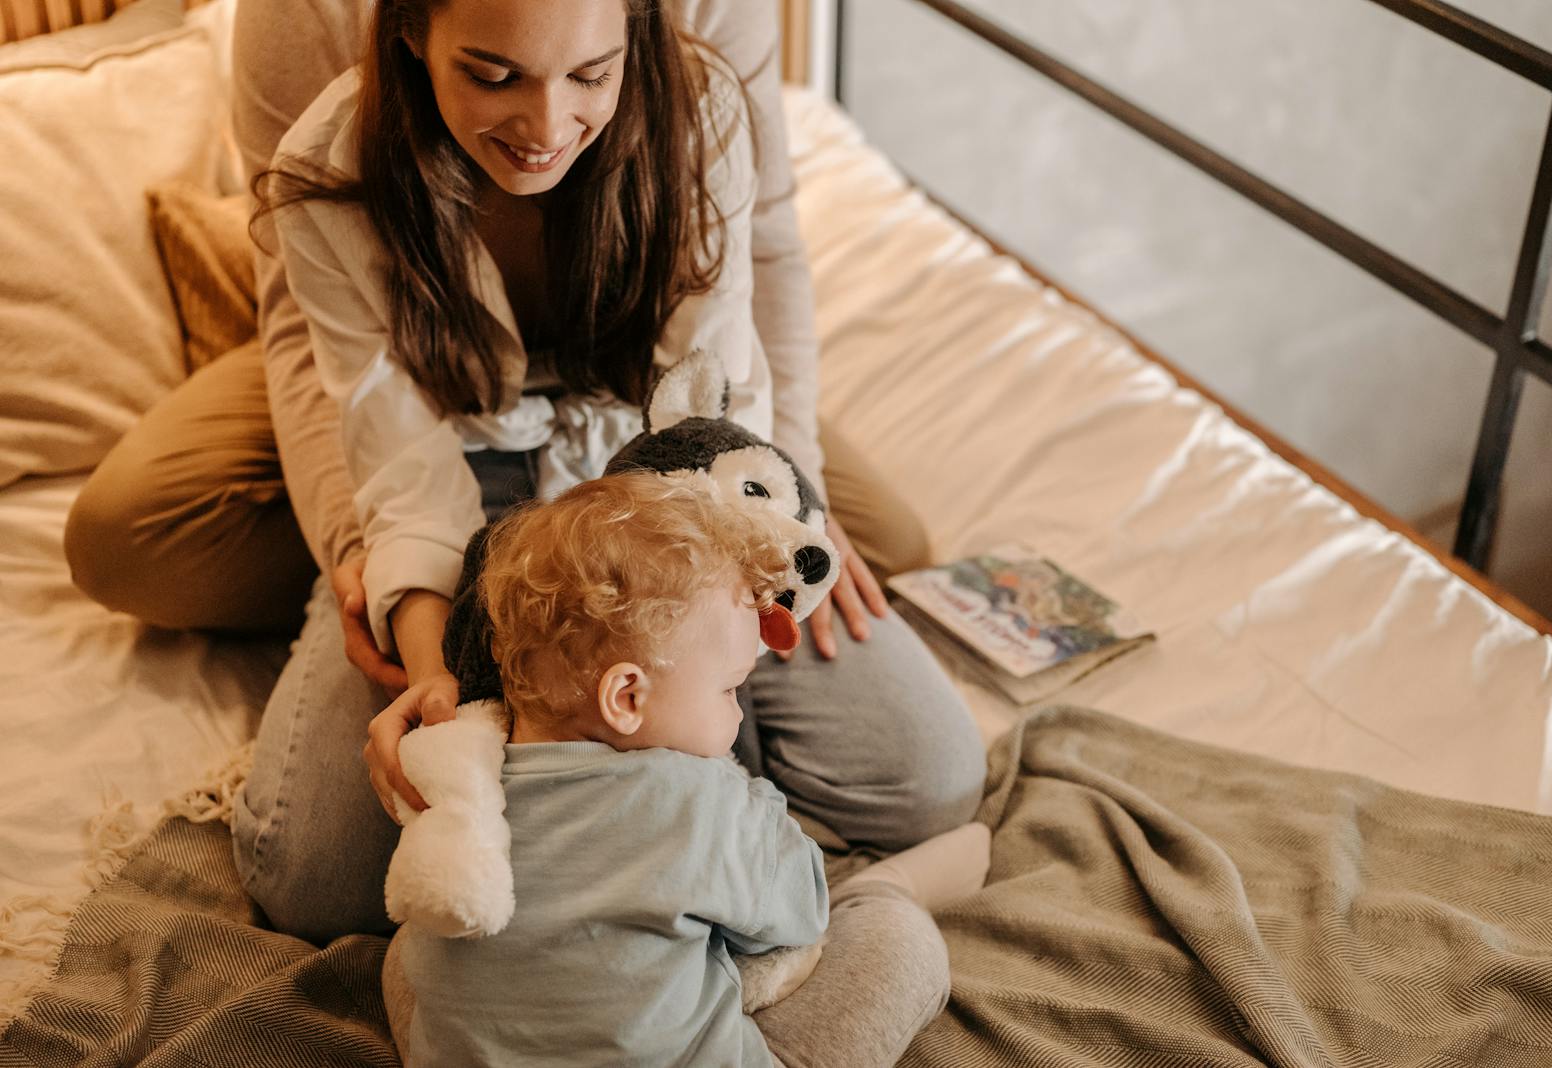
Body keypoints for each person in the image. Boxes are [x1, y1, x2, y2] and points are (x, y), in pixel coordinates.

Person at [68, 0, 986, 943]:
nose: (546, 130)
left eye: (591, 75)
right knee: (321, 883)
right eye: (494, 76)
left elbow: (727, 355)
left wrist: (770, 510)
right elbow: (380, 436)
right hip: (443, 420)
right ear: (412, 33)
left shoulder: (701, 102)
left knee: (926, 768)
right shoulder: (326, 166)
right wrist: (422, 644)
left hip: (658, 421)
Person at [381, 472, 990, 1067]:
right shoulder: (702, 803)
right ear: (627, 698)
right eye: (730, 690)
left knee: (412, 950)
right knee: (897, 937)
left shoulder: (460, 785)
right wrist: (752, 802)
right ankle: (891, 888)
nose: (736, 715)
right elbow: (803, 910)